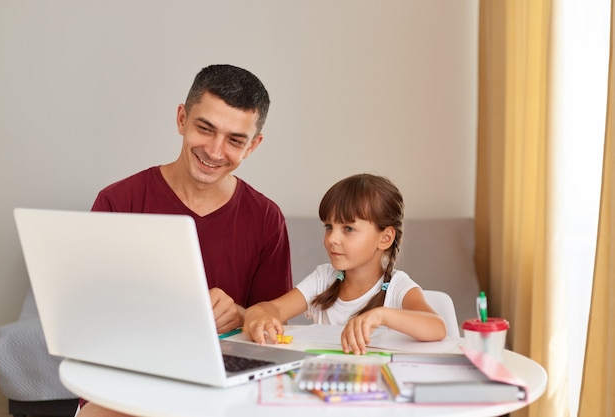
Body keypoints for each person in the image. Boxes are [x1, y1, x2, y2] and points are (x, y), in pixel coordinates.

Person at [77, 65, 292, 416]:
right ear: (181, 119)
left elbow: (273, 332)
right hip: (128, 384)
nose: (215, 151)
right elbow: (89, 321)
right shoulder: (119, 202)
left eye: (235, 140)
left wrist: (239, 315)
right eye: (205, 129)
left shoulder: (267, 219)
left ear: (253, 146)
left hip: (223, 390)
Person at [243, 173, 447, 355]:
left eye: (348, 228)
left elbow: (437, 327)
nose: (332, 238)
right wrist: (258, 315)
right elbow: (273, 309)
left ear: (385, 238)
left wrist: (382, 316)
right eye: (329, 227)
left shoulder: (397, 286)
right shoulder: (323, 278)